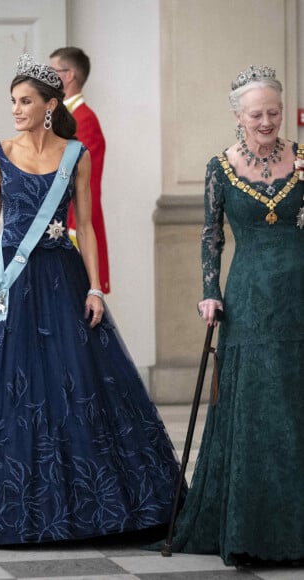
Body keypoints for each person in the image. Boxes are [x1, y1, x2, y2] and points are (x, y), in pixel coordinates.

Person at [0, 54, 181, 547]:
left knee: (73, 386)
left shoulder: (76, 153)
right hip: (5, 284)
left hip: (60, 278)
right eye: (13, 102)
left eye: (25, 102)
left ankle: (88, 509)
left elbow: (85, 225)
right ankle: (2, 504)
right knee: (2, 391)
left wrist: (94, 287)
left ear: (50, 106)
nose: (16, 110)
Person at [164, 65, 304, 566]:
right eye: (256, 114)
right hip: (246, 296)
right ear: (237, 116)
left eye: (274, 112)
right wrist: (209, 291)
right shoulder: (219, 167)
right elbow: (211, 235)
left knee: (294, 401)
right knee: (254, 402)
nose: (267, 122)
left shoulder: (303, 159)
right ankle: (249, 531)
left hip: (297, 291)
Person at [49, 47, 110, 294]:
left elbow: (84, 184)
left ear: (69, 75)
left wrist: (71, 232)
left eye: (51, 71)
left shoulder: (84, 120)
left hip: (67, 231)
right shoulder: (58, 115)